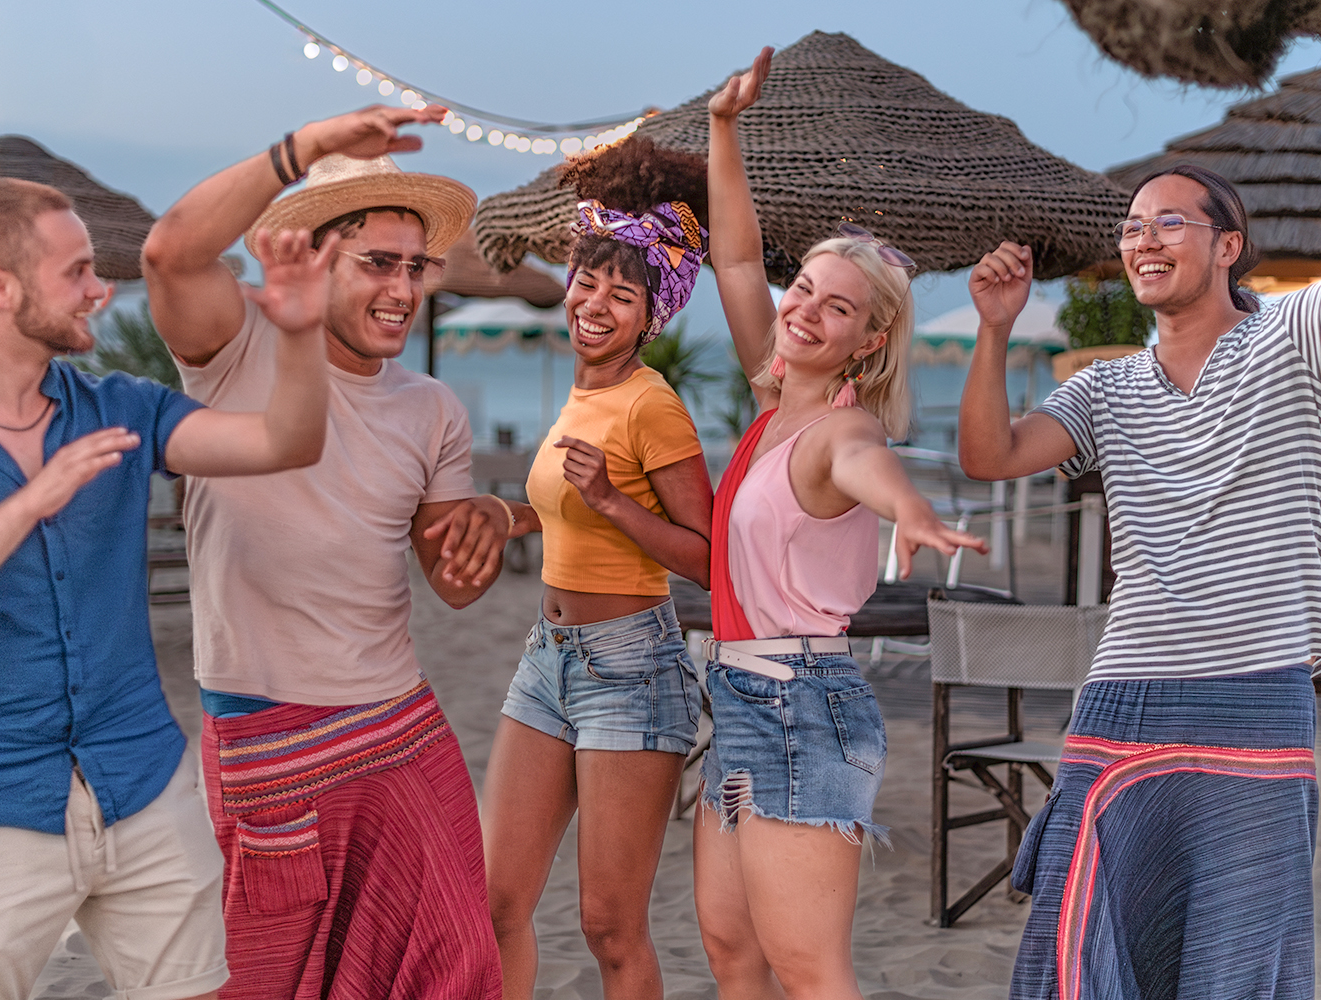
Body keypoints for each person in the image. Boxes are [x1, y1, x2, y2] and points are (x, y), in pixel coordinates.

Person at [959, 49, 1321, 1000]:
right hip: (1123, 701)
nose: (1145, 241)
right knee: (1085, 949)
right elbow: (988, 455)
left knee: (1237, 958)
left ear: (1227, 245)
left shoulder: (1296, 339)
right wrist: (992, 331)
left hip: (1254, 696)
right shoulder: (1103, 387)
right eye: (1134, 227)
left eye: (1171, 223)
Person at [0, 177, 338, 1000]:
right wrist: (30, 502)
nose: (99, 289)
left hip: (145, 789)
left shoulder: (122, 407)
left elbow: (284, 442)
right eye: (77, 271)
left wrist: (298, 336)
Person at [141, 106, 517, 1000]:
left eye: (415, 267)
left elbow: (453, 584)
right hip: (267, 739)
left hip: (399, 729)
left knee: (455, 969)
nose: (403, 289)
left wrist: (488, 532)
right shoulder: (235, 351)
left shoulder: (433, 409)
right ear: (312, 256)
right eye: (378, 263)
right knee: (266, 983)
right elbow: (168, 255)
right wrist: (306, 147)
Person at [701, 48, 986, 1000]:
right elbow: (736, 257)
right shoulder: (769, 397)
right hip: (741, 697)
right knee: (732, 953)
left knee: (809, 969)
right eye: (805, 291)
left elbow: (873, 470)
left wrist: (916, 513)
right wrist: (724, 130)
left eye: (839, 307)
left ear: (869, 341)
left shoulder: (842, 428)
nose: (807, 310)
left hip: (801, 703)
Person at [480, 137, 714, 1000]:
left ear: (652, 315)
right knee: (496, 899)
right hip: (547, 659)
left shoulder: (653, 402)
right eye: (589, 282)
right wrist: (501, 516)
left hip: (632, 667)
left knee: (609, 925)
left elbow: (710, 562)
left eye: (624, 292)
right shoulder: (583, 393)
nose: (596, 303)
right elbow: (559, 514)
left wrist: (617, 503)